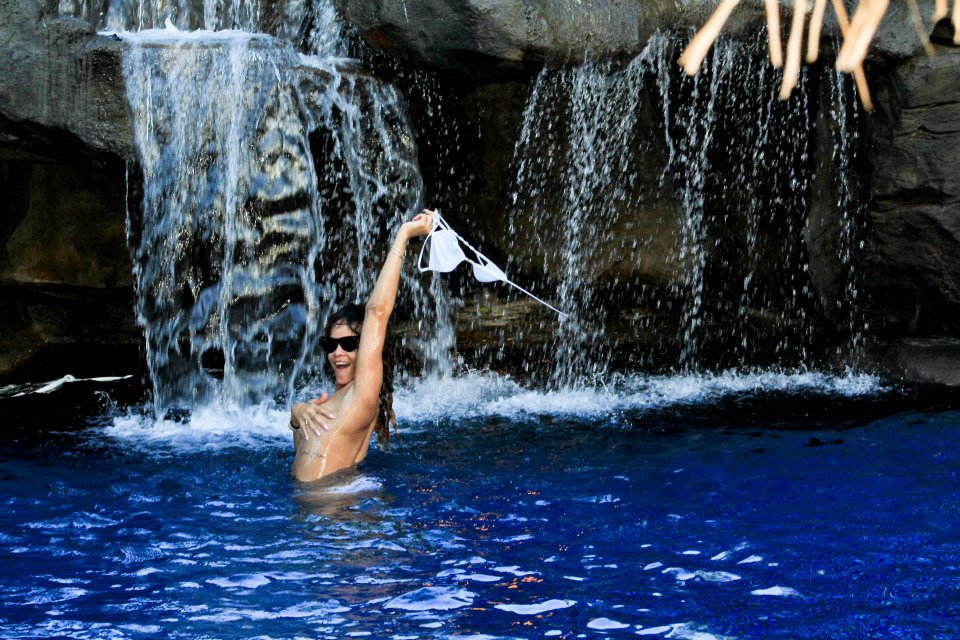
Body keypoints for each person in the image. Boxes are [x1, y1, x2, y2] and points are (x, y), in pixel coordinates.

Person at [289, 209, 435, 482]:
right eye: (331, 345)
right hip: (310, 513)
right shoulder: (324, 404)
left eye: (348, 343)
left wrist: (404, 235)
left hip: (331, 509)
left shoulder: (362, 396)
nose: (337, 352)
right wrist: (296, 414)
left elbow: (377, 312)